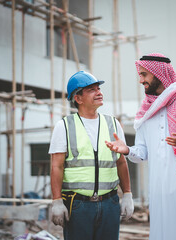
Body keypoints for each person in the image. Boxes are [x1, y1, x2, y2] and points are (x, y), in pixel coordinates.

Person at [105, 53, 176, 240]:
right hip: (161, 194)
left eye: (144, 75)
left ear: (159, 74)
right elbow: (142, 152)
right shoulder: (146, 110)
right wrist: (127, 150)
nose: (141, 80)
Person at [49, 71, 134, 240]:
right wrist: (57, 201)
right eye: (91, 90)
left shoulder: (113, 123)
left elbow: (121, 162)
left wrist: (128, 194)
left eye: (99, 88)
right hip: (78, 205)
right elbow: (56, 166)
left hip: (109, 203)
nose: (99, 92)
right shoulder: (64, 126)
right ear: (78, 98)